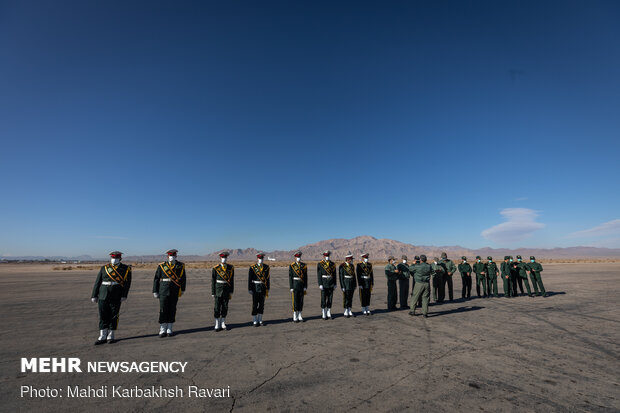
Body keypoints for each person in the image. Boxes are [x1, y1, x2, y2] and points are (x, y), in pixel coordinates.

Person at [91, 251, 132, 345]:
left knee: (114, 315)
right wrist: (94, 295)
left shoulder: (125, 269)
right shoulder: (104, 268)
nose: (114, 260)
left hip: (116, 294)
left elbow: (127, 284)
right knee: (103, 315)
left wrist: (124, 295)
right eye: (112, 258)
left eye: (116, 258)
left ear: (120, 259)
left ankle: (111, 336)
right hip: (103, 294)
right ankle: (102, 336)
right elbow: (98, 282)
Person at [153, 249, 186, 337]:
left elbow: (183, 278)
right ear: (167, 257)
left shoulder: (180, 266)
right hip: (163, 290)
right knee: (163, 309)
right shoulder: (162, 266)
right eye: (170, 256)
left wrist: (182, 289)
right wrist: (155, 291)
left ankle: (169, 328)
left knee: (172, 309)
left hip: (174, 291)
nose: (171, 257)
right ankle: (162, 329)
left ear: (176, 256)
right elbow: (156, 279)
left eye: (173, 256)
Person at [212, 251, 234, 332]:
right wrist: (213, 292)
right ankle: (217, 323)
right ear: (220, 258)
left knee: (225, 306)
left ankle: (223, 323)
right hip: (218, 290)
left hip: (226, 290)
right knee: (217, 307)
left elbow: (231, 281)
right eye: (222, 257)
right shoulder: (216, 268)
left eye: (225, 257)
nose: (224, 259)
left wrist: (231, 291)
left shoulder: (230, 268)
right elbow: (213, 281)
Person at [248, 252, 270, 326]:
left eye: (262, 258)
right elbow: (249, 279)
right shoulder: (252, 267)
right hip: (255, 287)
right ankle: (254, 319)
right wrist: (250, 288)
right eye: (259, 258)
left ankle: (260, 319)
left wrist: (268, 288)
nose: (261, 259)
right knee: (255, 304)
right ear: (257, 258)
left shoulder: (266, 267)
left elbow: (268, 279)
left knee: (261, 304)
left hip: (263, 287)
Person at [317, 250, 337, 320]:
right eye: (325, 256)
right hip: (324, 283)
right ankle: (323, 312)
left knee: (330, 298)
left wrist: (335, 283)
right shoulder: (320, 264)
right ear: (323, 256)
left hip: (331, 283)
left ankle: (328, 312)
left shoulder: (332, 264)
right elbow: (319, 275)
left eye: (328, 256)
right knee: (323, 298)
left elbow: (334, 275)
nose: (327, 257)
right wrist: (320, 284)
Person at [289, 251, 308, 322]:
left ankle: (300, 315)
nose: (298, 258)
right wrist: (291, 287)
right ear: (295, 257)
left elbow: (305, 277)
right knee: (295, 301)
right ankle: (295, 315)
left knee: (301, 301)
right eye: (297, 257)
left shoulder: (304, 265)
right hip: (295, 285)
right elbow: (290, 277)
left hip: (301, 285)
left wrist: (305, 286)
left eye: (299, 257)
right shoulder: (292, 266)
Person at [339, 253, 357, 317]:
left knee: (350, 297)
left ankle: (349, 309)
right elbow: (341, 277)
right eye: (351, 259)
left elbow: (354, 276)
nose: (351, 261)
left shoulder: (352, 266)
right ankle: (345, 310)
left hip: (351, 283)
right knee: (346, 297)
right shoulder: (342, 266)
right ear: (347, 259)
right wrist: (342, 286)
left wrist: (355, 284)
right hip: (346, 283)